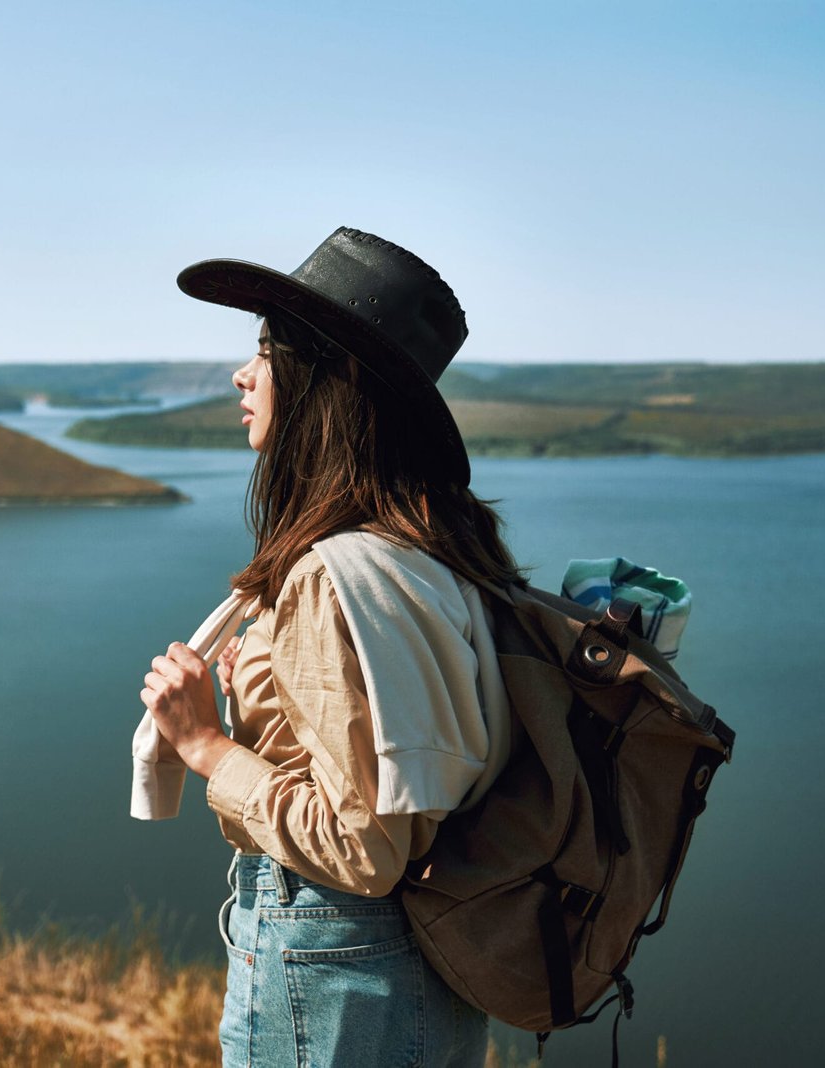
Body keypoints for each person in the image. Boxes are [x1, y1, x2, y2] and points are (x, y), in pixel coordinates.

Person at [138, 227, 526, 1067]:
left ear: (322, 381)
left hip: (338, 965)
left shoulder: (331, 574)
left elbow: (364, 847)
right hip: (421, 964)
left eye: (265, 351)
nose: (243, 375)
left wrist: (205, 744)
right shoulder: (429, 547)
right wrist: (269, 704)